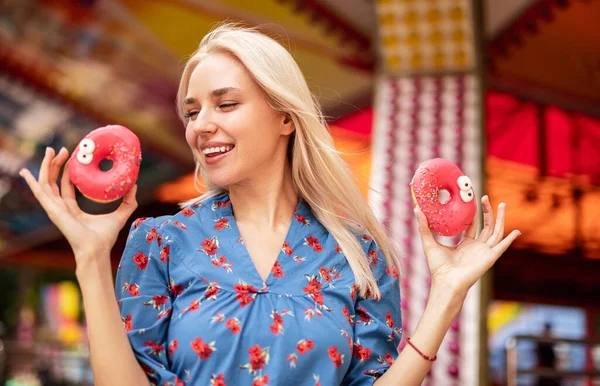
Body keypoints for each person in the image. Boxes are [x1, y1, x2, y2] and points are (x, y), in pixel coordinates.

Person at [19, 23, 521, 386]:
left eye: (226, 103)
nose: (201, 125)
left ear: (285, 116)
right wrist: (89, 258)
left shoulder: (358, 254)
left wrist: (447, 295)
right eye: (192, 111)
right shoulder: (160, 241)